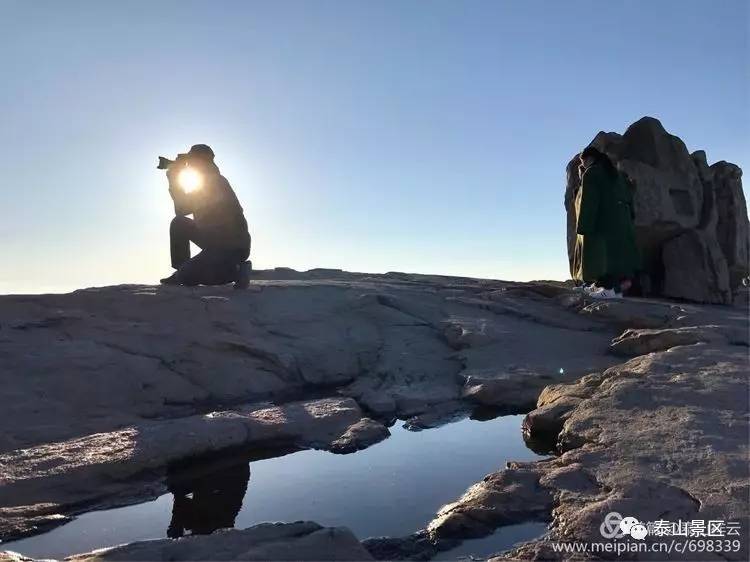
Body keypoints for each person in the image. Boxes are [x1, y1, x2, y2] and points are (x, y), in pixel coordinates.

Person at [159, 144, 251, 289]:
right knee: (179, 223)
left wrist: (175, 175)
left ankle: (237, 271)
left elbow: (182, 207)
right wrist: (174, 176)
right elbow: (181, 211)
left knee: (189, 275)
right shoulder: (206, 181)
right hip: (214, 240)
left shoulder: (214, 181)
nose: (189, 164)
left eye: (192, 160)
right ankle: (181, 270)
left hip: (230, 245)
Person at [573, 146, 640, 299]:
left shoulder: (592, 173)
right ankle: (608, 289)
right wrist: (630, 219)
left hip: (602, 222)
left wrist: (583, 225)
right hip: (622, 222)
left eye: (583, 162)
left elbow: (589, 201)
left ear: (588, 159)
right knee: (618, 259)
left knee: (601, 259)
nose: (582, 166)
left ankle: (609, 291)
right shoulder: (618, 175)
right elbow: (630, 198)